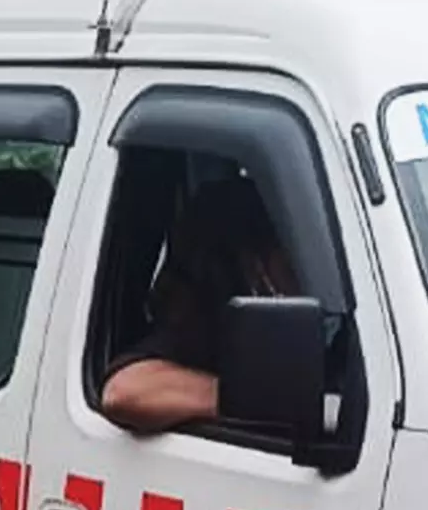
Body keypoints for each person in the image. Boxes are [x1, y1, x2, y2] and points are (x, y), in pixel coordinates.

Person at [100, 176, 298, 433]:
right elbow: (123, 393)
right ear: (255, 267)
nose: (307, 273)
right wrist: (257, 398)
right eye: (291, 258)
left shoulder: (340, 324)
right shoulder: (209, 329)